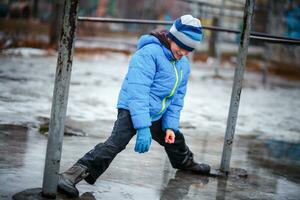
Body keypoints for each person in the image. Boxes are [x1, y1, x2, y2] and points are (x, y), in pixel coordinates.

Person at [57, 14, 211, 198]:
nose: (184, 52)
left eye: (189, 50)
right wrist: (143, 126)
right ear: (172, 37)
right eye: (182, 46)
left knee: (175, 138)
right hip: (132, 107)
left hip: (157, 112)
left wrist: (170, 126)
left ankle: (186, 163)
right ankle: (69, 176)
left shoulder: (183, 65)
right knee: (115, 144)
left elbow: (177, 98)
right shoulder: (148, 54)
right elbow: (138, 92)